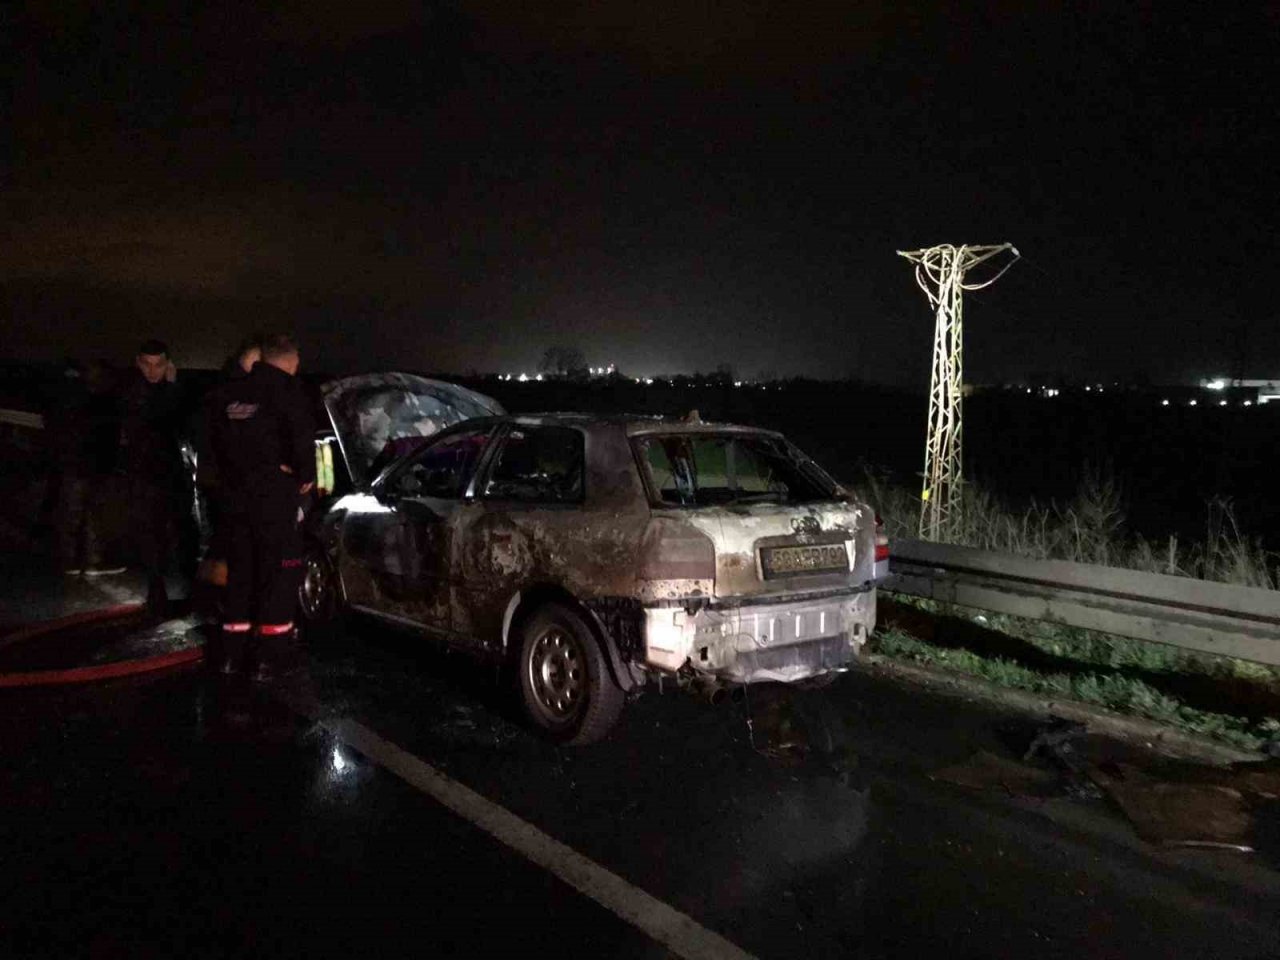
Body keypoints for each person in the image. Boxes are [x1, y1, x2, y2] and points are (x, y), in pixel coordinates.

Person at [207, 333, 315, 680]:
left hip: (235, 502)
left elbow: (213, 448)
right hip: (273, 502)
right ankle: (269, 660)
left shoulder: (229, 394)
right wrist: (301, 475)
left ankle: (229, 657)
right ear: (291, 361)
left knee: (240, 576)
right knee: (278, 576)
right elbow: (302, 449)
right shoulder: (289, 392)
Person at [120, 339, 187, 618]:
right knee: (151, 532)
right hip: (145, 473)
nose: (152, 370)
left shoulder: (163, 391)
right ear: (138, 363)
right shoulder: (134, 392)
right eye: (147, 364)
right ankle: (157, 588)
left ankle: (165, 588)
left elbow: (177, 423)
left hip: (166, 472)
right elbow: (157, 421)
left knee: (172, 530)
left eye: (157, 364)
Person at [46, 360, 125, 575]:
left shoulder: (74, 401)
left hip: (80, 465)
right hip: (90, 466)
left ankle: (73, 560)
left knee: (78, 513)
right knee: (90, 514)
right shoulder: (101, 403)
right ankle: (89, 561)